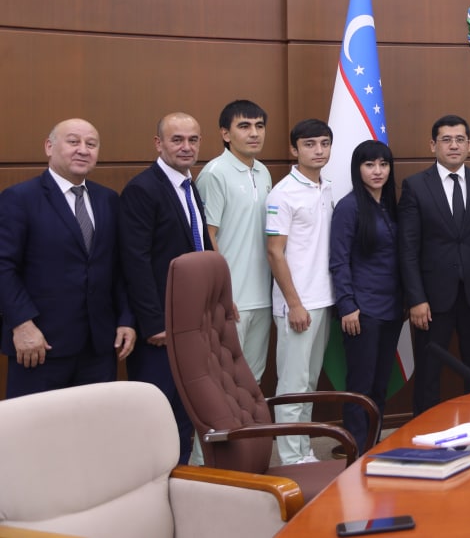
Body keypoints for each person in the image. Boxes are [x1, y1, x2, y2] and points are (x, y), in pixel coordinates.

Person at [0, 119, 135, 398]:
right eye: (73, 142)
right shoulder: (19, 198)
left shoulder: (108, 199)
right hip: (40, 346)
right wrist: (22, 324)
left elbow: (118, 267)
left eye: (91, 144)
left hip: (99, 348)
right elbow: (3, 266)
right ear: (49, 147)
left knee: (95, 423)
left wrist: (126, 318)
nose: (83, 150)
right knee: (36, 425)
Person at [399, 115, 470, 413]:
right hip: (431, 301)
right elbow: (407, 249)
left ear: (469, 145)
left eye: (460, 139)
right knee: (428, 374)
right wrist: (416, 299)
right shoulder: (415, 186)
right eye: (446, 140)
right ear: (433, 145)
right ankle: (424, 436)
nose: (453, 145)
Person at [119, 112, 212, 465]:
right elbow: (135, 261)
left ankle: (179, 479)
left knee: (185, 412)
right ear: (158, 144)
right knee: (156, 415)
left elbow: (200, 245)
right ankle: (151, 482)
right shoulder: (142, 189)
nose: (186, 147)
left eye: (193, 140)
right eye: (177, 140)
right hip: (159, 329)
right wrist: (154, 322)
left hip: (192, 321)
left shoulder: (189, 185)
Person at [264, 118, 335, 464]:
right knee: (292, 386)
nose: (318, 150)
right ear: (294, 150)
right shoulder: (282, 193)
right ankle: (291, 459)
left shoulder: (328, 188)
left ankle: (303, 450)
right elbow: (274, 252)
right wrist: (294, 304)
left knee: (308, 384)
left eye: (324, 143)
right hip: (297, 304)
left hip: (324, 300)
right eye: (309, 144)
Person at [329, 139, 401, 454]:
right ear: (357, 169)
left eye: (383, 164)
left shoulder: (391, 205)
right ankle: (356, 447)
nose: (377, 171)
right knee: (361, 383)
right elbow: (338, 260)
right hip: (362, 311)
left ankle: (373, 441)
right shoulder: (349, 207)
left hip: (392, 308)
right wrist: (347, 305)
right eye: (369, 164)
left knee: (380, 383)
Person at [195, 99, 273, 383]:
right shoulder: (214, 173)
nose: (254, 133)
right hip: (231, 300)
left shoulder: (263, 171)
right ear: (225, 134)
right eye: (244, 126)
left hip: (263, 297)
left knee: (253, 381)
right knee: (225, 382)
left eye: (259, 126)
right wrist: (222, 296)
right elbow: (207, 237)